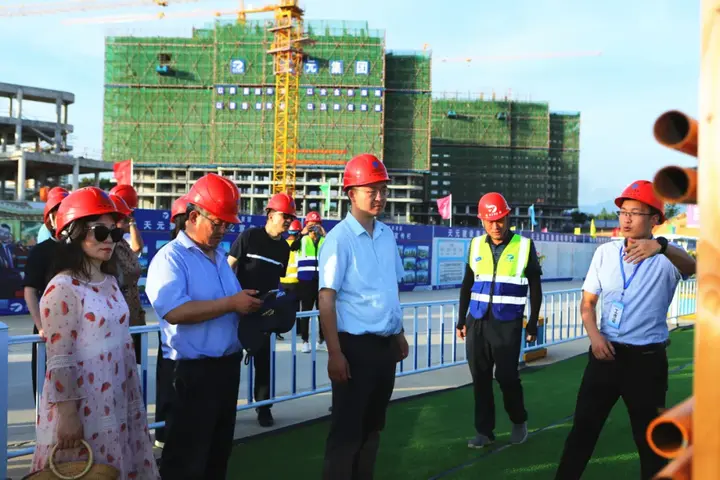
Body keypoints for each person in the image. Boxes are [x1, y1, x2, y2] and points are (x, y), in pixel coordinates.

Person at [554, 180, 696, 480]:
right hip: (605, 358)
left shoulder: (668, 257)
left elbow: (694, 267)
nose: (626, 219)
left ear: (655, 218)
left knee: (650, 441)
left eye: (636, 212)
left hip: (647, 362)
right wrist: (594, 338)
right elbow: (588, 304)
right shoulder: (605, 253)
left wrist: (661, 247)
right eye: (623, 212)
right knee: (582, 431)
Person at [29, 186, 159, 479]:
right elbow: (60, 358)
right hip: (83, 409)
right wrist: (68, 415)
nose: (110, 241)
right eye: (101, 232)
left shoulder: (111, 282)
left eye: (115, 233)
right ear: (73, 233)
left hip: (117, 398)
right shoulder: (61, 288)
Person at [145, 173, 263, 479]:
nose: (223, 230)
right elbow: (175, 311)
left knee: (216, 455)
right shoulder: (170, 258)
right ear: (194, 216)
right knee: (185, 460)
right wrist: (232, 304)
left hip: (225, 368)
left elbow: (229, 305)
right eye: (218, 223)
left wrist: (253, 307)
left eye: (227, 224)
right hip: (190, 374)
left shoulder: (219, 257)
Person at [318, 153, 409, 479]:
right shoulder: (338, 240)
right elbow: (326, 300)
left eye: (383, 188)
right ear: (350, 193)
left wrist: (398, 333)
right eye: (371, 190)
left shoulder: (386, 235)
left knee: (372, 428)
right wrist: (335, 353)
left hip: (384, 349)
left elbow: (389, 288)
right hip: (353, 349)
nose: (380, 196)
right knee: (346, 434)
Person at [456, 192, 543, 448]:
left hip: (508, 323)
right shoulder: (475, 245)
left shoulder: (524, 246)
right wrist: (462, 319)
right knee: (480, 378)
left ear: (508, 217)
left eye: (500, 220)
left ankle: (519, 420)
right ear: (482, 220)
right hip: (477, 322)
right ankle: (484, 431)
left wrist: (533, 322)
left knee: (506, 377)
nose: (496, 225)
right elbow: (467, 284)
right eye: (490, 220)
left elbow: (535, 287)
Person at [227, 192, 294, 428]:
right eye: (283, 215)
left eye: (290, 217)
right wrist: (232, 300)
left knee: (263, 363)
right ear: (269, 214)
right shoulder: (249, 237)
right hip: (236, 310)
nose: (287, 220)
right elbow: (228, 268)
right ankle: (226, 410)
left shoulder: (284, 249)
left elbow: (277, 280)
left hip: (263, 313)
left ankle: (264, 408)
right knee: (229, 361)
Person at [23, 186, 68, 402]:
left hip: (80, 329)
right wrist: (41, 326)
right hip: (48, 328)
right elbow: (30, 290)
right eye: (57, 212)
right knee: (46, 389)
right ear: (49, 218)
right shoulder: (40, 252)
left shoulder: (82, 249)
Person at [154, 193, 190, 449]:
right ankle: (163, 431)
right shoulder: (171, 255)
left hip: (188, 343)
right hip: (174, 339)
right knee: (169, 385)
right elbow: (174, 309)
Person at [109, 193, 145, 366]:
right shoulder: (107, 247)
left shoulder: (122, 243)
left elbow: (137, 248)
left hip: (133, 309)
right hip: (118, 315)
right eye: (123, 217)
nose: (127, 219)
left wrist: (131, 223)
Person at [297, 210, 327, 353]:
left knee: (323, 312)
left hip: (321, 280)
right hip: (306, 281)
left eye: (316, 225)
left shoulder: (324, 240)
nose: (313, 228)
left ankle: (322, 340)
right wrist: (301, 233)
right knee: (306, 312)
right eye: (311, 225)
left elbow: (334, 248)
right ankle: (305, 341)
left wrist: (324, 233)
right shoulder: (302, 239)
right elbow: (292, 246)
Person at [280, 219, 302, 321]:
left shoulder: (282, 244)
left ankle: (280, 329)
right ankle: (296, 330)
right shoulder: (300, 245)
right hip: (295, 282)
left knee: (282, 306)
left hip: (282, 281)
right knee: (295, 308)